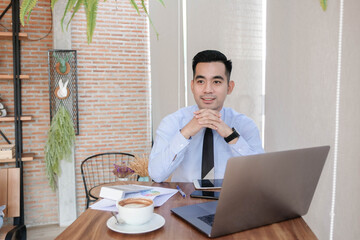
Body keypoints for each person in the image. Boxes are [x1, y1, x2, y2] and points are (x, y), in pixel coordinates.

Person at [149, 50, 264, 182]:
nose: (208, 89)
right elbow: (156, 174)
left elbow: (260, 175)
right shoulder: (172, 122)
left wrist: (230, 135)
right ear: (192, 86)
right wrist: (185, 133)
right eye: (201, 81)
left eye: (216, 82)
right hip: (185, 199)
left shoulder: (245, 125)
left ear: (229, 87)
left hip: (230, 199)